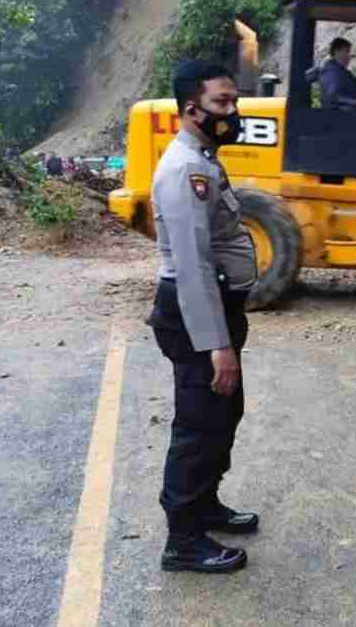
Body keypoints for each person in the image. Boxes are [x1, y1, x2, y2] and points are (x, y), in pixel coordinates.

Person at [145, 60, 259, 574]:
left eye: (234, 102)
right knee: (197, 423)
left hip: (215, 306)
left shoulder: (206, 158)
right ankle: (183, 540)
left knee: (222, 415)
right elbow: (192, 265)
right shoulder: (185, 169)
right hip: (195, 311)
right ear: (191, 109)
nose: (232, 112)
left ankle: (206, 503)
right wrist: (217, 344)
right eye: (221, 104)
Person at [318, 37, 356, 111]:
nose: (350, 56)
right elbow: (334, 97)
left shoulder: (343, 72)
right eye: (347, 51)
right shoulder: (330, 72)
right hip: (337, 118)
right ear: (337, 52)